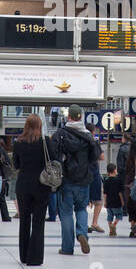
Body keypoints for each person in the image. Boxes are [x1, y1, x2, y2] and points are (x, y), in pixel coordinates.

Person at [53, 104, 100, 255]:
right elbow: (95, 157)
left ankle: (67, 247)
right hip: (84, 180)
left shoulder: (60, 134)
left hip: (66, 180)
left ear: (68, 117)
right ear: (81, 117)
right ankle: (82, 234)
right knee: (81, 209)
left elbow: (53, 156)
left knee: (66, 213)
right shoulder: (88, 136)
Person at [13, 114, 49, 265]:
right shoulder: (45, 142)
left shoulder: (18, 142)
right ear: (40, 125)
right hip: (42, 184)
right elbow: (53, 160)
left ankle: (24, 255)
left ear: (26, 125)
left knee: (25, 220)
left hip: (23, 185)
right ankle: (35, 257)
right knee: (39, 221)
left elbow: (16, 165)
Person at [103, 163, 125, 235]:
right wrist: (122, 201)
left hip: (109, 202)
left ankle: (110, 230)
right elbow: (120, 193)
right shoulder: (119, 180)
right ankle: (114, 225)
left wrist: (105, 201)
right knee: (119, 214)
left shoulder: (106, 181)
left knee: (110, 216)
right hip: (117, 201)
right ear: (115, 170)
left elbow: (105, 193)